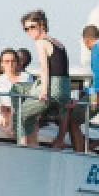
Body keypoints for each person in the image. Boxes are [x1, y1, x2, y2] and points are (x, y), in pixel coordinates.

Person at [16, 10, 71, 147]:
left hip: (52, 90)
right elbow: (61, 69)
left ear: (42, 24)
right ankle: (35, 145)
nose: (29, 31)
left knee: (20, 114)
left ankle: (22, 148)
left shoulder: (41, 42)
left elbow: (44, 68)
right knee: (34, 115)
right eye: (26, 29)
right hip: (64, 91)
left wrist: (44, 92)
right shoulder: (58, 43)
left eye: (32, 27)